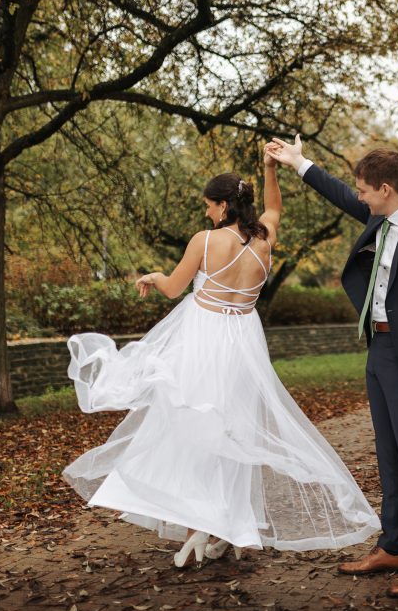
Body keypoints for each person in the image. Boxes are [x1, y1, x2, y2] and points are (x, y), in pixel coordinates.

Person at [62, 144, 380, 567]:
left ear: (225, 205)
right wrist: (271, 170)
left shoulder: (206, 241)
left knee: (193, 431)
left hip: (203, 338)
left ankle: (199, 527)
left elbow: (175, 288)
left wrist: (155, 277)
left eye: (210, 206)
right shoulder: (265, 238)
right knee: (230, 433)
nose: (207, 214)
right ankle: (218, 527)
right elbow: (274, 208)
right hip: (243, 342)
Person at [268, 136, 398, 598]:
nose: (360, 197)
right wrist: (298, 163)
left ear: (387, 189)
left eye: (366, 191)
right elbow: (336, 190)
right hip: (379, 351)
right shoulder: (380, 217)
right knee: (388, 454)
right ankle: (394, 546)